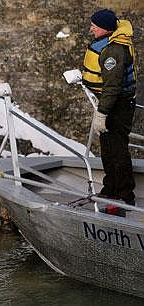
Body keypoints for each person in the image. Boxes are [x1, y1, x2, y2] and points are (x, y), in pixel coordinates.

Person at [82, 9, 136, 206]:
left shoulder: (113, 51)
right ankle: (110, 189)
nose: (91, 28)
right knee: (108, 150)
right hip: (110, 103)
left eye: (94, 25)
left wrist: (102, 113)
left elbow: (113, 86)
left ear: (105, 28)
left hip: (117, 107)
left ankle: (124, 195)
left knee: (118, 151)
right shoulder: (108, 44)